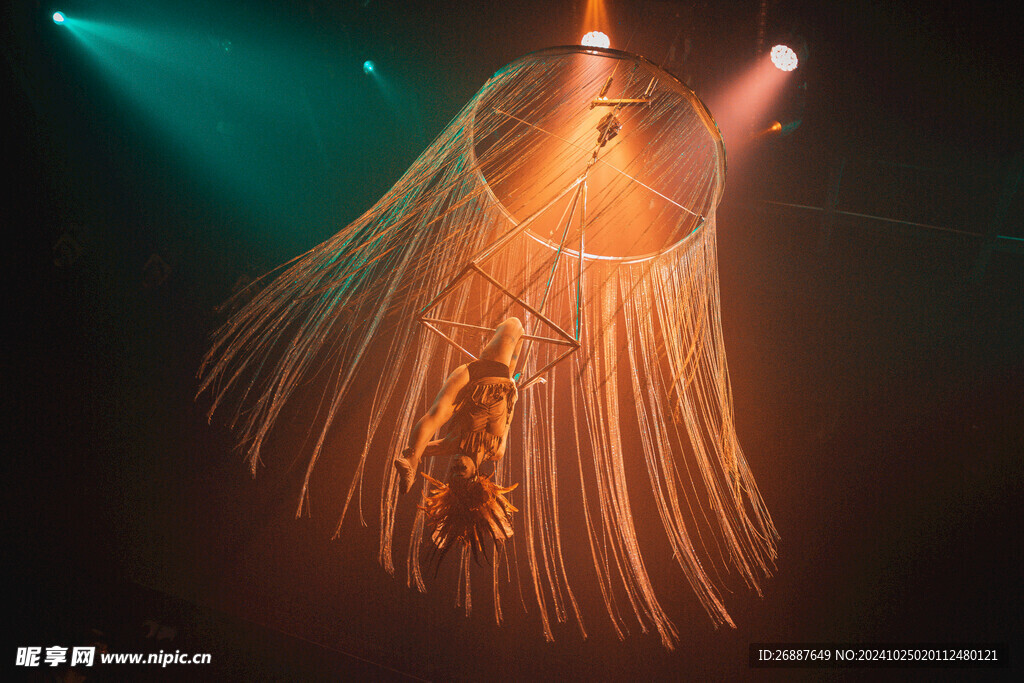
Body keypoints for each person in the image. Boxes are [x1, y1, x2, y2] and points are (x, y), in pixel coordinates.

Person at [394, 317, 524, 558]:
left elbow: (432, 434)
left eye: (451, 473)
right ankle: (412, 458)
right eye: (460, 472)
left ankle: (411, 461)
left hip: (472, 377)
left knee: (438, 413)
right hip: (502, 381)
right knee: (519, 335)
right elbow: (507, 421)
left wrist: (413, 454)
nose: (454, 467)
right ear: (476, 476)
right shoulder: (496, 452)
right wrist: (513, 394)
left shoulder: (453, 445)